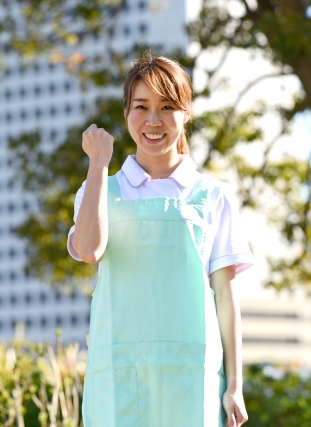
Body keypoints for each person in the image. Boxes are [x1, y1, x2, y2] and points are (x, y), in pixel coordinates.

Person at [67, 54, 253, 427]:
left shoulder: (212, 195)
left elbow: (225, 296)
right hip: (117, 372)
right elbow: (89, 250)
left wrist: (235, 384)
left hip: (192, 374)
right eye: (142, 107)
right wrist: (98, 164)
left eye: (167, 107)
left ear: (185, 114)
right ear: (126, 113)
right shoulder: (98, 189)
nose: (154, 120)